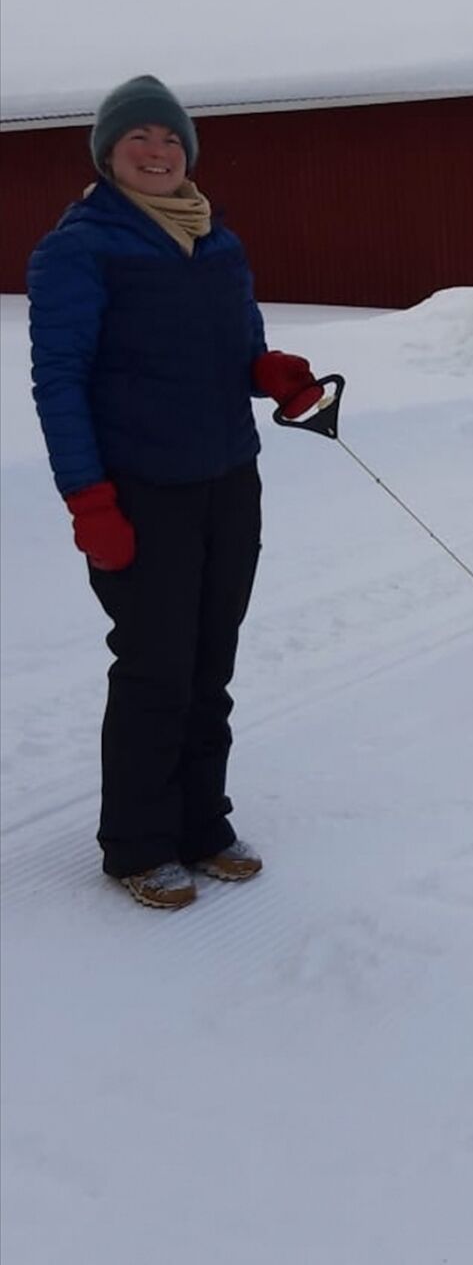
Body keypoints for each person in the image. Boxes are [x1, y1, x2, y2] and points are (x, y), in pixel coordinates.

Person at [27, 74, 324, 910]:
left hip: (229, 476)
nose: (157, 153)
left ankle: (203, 825)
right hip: (139, 490)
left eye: (170, 139)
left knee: (210, 660)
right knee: (156, 666)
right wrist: (90, 501)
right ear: (109, 155)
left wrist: (273, 376)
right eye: (138, 140)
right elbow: (59, 383)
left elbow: (245, 344)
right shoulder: (79, 248)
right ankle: (137, 843)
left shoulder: (218, 241)